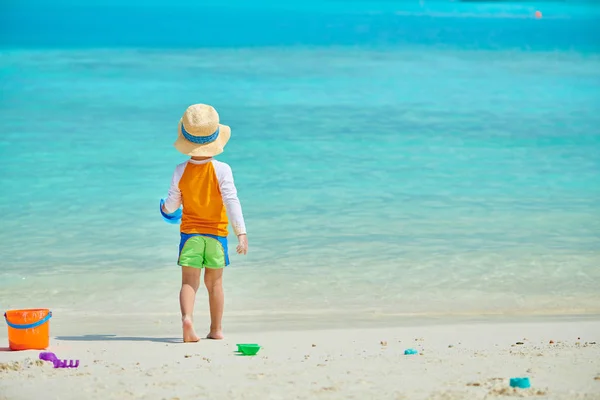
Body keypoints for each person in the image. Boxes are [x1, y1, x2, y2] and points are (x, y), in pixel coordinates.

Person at [160, 104, 248, 342]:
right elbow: (231, 200)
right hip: (217, 236)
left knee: (189, 282)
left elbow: (172, 205)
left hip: (190, 235)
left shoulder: (180, 171)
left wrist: (163, 209)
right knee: (215, 284)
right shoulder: (222, 169)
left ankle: (187, 318)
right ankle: (216, 329)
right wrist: (241, 233)